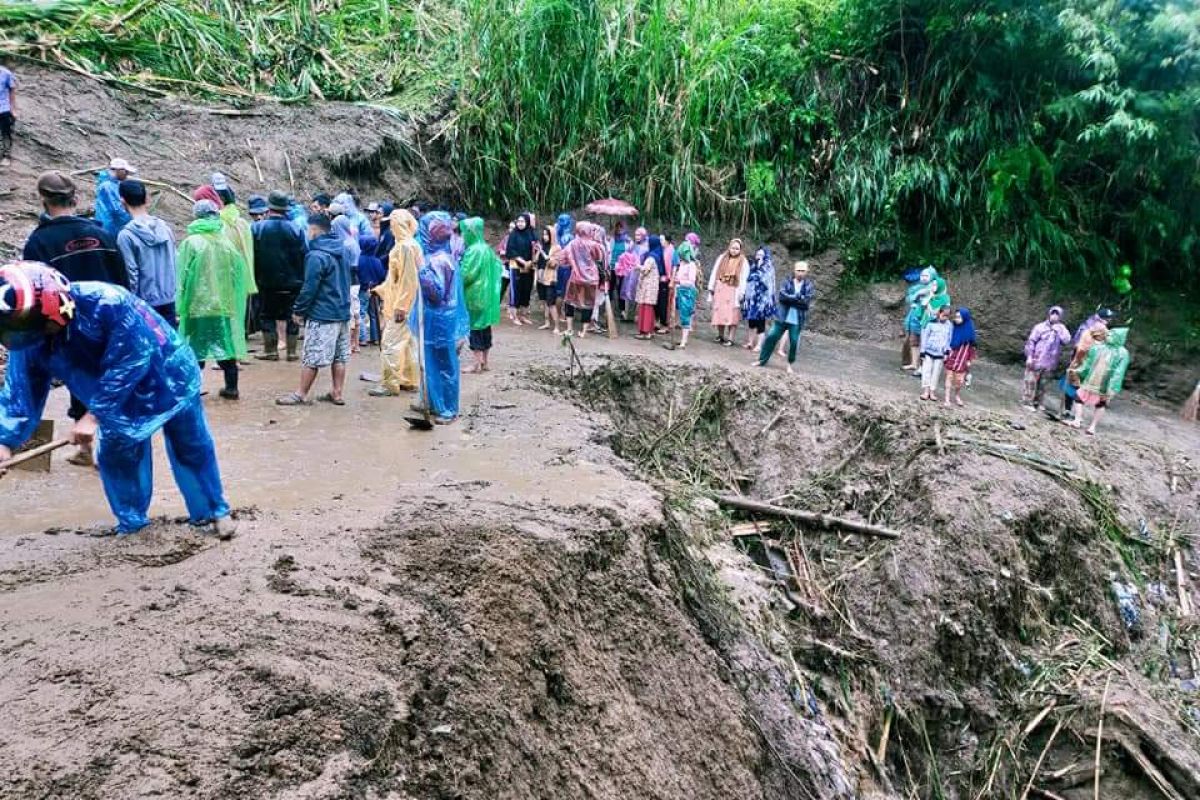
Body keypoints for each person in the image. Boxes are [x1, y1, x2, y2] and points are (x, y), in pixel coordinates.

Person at [0, 262, 235, 537]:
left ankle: (212, 511)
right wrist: (5, 442)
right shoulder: (30, 339)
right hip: (110, 396)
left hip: (168, 376)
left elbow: (131, 360)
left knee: (190, 444)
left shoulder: (108, 303)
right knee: (117, 455)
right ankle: (132, 525)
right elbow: (20, 391)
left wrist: (93, 415)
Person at [23, 170, 128, 466]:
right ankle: (114, 450)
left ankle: (85, 450)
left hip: (67, 327)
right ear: (75, 198)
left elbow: (33, 294)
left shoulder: (40, 242)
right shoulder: (102, 233)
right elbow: (123, 284)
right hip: (110, 323)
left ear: (43, 199)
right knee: (110, 377)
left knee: (78, 379)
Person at [176, 200, 248, 400]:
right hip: (222, 306)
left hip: (196, 306)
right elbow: (237, 275)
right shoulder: (226, 243)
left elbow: (181, 276)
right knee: (225, 347)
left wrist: (179, 304)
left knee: (194, 348)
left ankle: (193, 390)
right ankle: (231, 388)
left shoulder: (190, 243)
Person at [277, 214, 352, 406]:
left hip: (323, 313)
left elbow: (310, 287)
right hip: (342, 311)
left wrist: (299, 310)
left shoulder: (316, 256)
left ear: (314, 230)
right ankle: (337, 393)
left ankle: (300, 394)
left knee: (312, 356)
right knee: (339, 356)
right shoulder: (342, 250)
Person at [415, 211, 469, 423]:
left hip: (439, 319)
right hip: (437, 318)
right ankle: (434, 402)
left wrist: (422, 271)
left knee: (443, 363)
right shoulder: (444, 258)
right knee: (432, 362)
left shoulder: (439, 261)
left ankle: (448, 408)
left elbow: (436, 294)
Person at [369, 209, 421, 397]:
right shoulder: (409, 245)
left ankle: (389, 383)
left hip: (403, 305)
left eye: (392, 225)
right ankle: (408, 379)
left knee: (390, 343)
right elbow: (394, 280)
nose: (390, 229)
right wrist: (380, 290)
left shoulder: (405, 247)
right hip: (406, 303)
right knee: (407, 344)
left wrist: (401, 306)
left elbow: (408, 279)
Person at [252, 191, 307, 362]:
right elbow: (305, 253)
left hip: (266, 281)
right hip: (293, 282)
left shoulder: (257, 228)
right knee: (292, 315)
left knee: (267, 315)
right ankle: (291, 352)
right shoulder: (296, 228)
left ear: (269, 207)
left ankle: (271, 351)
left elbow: (251, 254)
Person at [116, 179, 177, 326]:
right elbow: (175, 261)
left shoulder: (126, 235)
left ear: (122, 202)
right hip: (169, 298)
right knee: (170, 346)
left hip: (143, 304)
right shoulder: (165, 228)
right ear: (146, 199)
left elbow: (131, 274)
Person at [460, 217, 503, 373]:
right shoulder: (487, 249)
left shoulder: (473, 251)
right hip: (488, 295)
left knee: (475, 328)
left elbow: (467, 275)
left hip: (474, 295)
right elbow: (498, 268)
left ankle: (476, 363)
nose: (463, 236)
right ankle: (485, 361)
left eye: (464, 232)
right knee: (485, 327)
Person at [1068, 327, 1130, 435]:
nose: (1108, 336)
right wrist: (1078, 371)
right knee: (1078, 398)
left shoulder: (1122, 353)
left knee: (1101, 404)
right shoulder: (1098, 347)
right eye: (1109, 334)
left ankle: (1092, 427)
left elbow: (1119, 372)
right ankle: (1077, 420)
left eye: (1112, 335)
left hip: (1106, 383)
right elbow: (1088, 362)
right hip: (1091, 379)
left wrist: (1113, 387)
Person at [758, 261, 815, 373]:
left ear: (807, 272)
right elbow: (782, 297)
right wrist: (798, 298)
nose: (800, 273)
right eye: (798, 270)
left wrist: (791, 299)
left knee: (794, 342)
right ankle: (762, 360)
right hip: (783, 316)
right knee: (771, 336)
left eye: (803, 270)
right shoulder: (787, 282)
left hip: (797, 318)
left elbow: (806, 303)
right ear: (794, 270)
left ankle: (789, 364)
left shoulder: (808, 285)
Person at [559, 221, 605, 338]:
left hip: (576, 277)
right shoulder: (594, 245)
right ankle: (584, 331)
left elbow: (562, 258)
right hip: (591, 279)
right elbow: (599, 258)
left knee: (570, 302)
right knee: (589, 304)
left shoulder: (572, 244)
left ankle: (569, 329)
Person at [1022, 305, 1071, 408]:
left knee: (1043, 385)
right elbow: (1031, 342)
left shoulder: (1062, 328)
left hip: (1050, 362)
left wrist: (1059, 331)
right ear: (1049, 314)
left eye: (1057, 314)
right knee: (1031, 382)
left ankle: (1038, 402)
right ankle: (1027, 402)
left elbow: (1067, 340)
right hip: (1036, 360)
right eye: (1053, 313)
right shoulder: (1039, 327)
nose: (1055, 316)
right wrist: (1029, 357)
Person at [707, 238, 748, 346]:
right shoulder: (722, 258)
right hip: (721, 288)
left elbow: (743, 278)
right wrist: (711, 287)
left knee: (732, 314)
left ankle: (730, 339)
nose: (734, 250)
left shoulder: (743, 261)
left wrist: (742, 292)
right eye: (733, 248)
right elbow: (715, 271)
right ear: (729, 247)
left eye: (737, 248)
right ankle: (720, 335)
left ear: (740, 250)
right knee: (720, 312)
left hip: (734, 289)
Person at [332, 214, 362, 353]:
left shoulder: (345, 244)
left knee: (350, 313)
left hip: (348, 280)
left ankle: (349, 345)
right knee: (356, 312)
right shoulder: (353, 241)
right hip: (355, 279)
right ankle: (356, 343)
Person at [740, 245, 777, 352]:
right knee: (751, 322)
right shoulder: (752, 265)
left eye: (761, 254)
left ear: (766, 256)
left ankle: (759, 345)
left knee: (761, 323)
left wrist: (759, 272)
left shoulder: (768, 267)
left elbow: (767, 282)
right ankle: (750, 342)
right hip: (751, 299)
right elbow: (748, 278)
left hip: (763, 300)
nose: (759, 256)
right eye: (757, 254)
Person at [504, 213, 537, 326]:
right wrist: (523, 262)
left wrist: (532, 261)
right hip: (516, 266)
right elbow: (510, 251)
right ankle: (514, 316)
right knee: (516, 291)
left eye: (522, 221)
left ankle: (523, 316)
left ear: (527, 222)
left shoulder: (531, 234)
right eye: (518, 221)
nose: (520, 223)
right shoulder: (513, 235)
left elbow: (536, 248)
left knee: (526, 290)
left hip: (529, 267)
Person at [94, 157, 135, 239]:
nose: (127, 174)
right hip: (109, 228)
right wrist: (133, 217)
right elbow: (117, 209)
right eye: (125, 171)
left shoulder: (115, 184)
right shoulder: (107, 186)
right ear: (117, 170)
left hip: (113, 226)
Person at [357, 232, 386, 346]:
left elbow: (357, 274)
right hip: (375, 290)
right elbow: (382, 275)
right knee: (374, 315)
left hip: (363, 289)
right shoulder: (377, 261)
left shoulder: (360, 260)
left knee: (361, 313)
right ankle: (375, 337)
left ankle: (362, 338)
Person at [919, 305, 953, 401]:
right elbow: (925, 338)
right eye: (944, 315)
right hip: (929, 351)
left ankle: (932, 391)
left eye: (947, 316)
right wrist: (922, 351)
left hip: (940, 353)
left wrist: (947, 352)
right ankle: (926, 391)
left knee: (936, 373)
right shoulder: (931, 323)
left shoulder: (949, 325)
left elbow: (949, 340)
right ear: (939, 313)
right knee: (927, 371)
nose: (945, 317)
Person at [944, 307, 976, 406]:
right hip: (952, 357)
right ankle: (947, 398)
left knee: (959, 381)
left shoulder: (970, 332)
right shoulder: (953, 328)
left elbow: (972, 348)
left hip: (963, 360)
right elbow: (948, 342)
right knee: (949, 377)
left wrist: (970, 359)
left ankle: (957, 395)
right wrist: (946, 354)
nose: (956, 319)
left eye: (959, 317)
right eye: (956, 317)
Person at [634, 235, 663, 339]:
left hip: (647, 288)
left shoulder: (651, 257)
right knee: (649, 309)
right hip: (652, 287)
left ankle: (645, 332)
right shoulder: (657, 255)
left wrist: (636, 266)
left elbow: (645, 270)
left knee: (645, 309)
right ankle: (649, 331)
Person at [673, 241, 701, 349]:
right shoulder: (682, 264)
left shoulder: (691, 265)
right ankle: (681, 339)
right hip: (680, 291)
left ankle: (684, 341)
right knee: (679, 315)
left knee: (686, 317)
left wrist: (679, 282)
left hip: (687, 293)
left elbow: (691, 281)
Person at [535, 226, 560, 332]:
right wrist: (536, 252)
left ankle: (557, 327)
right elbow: (536, 261)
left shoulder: (556, 248)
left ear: (552, 235)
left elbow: (553, 264)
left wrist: (543, 254)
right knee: (545, 301)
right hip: (541, 279)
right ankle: (547, 322)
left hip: (550, 279)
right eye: (544, 234)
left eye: (547, 234)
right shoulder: (542, 246)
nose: (544, 236)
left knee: (551, 303)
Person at [0, 61, 15, 167]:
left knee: (6, 133)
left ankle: (6, 156)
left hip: (4, 108)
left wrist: (13, 109)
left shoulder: (6, 74)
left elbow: (12, 90)